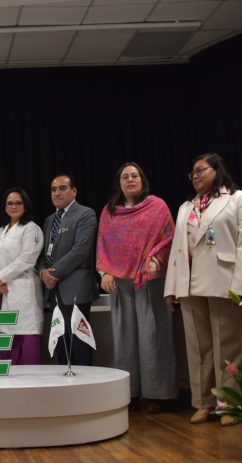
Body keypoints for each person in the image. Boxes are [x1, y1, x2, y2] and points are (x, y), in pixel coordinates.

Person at [164, 153, 242, 426]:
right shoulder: (186, 206)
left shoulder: (239, 199)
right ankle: (203, 402)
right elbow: (177, 249)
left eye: (201, 170)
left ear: (217, 170)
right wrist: (171, 286)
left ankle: (230, 402)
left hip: (224, 282)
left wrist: (240, 287)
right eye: (192, 173)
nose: (195, 176)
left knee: (229, 346)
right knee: (198, 349)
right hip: (189, 284)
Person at [96, 163, 176, 412]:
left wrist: (157, 260)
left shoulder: (157, 206)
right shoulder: (110, 211)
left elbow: (169, 238)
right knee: (124, 338)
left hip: (150, 280)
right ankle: (128, 393)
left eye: (134, 176)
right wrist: (105, 271)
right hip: (120, 282)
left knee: (153, 335)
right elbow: (102, 243)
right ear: (119, 183)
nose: (130, 180)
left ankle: (156, 394)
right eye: (125, 177)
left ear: (142, 180)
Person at [38, 174, 99, 366]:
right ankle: (65, 382)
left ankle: (85, 384)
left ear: (74, 191)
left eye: (62, 188)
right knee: (61, 343)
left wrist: (53, 274)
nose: (57, 193)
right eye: (53, 189)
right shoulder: (49, 220)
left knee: (79, 343)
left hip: (76, 289)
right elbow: (43, 254)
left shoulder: (85, 214)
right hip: (53, 291)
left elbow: (81, 250)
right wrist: (42, 273)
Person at [0, 187, 44, 365]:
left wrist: (2, 277)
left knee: (28, 351)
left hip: (23, 291)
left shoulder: (31, 228)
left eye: (18, 203)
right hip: (2, 291)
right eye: (10, 203)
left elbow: (27, 259)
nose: (13, 206)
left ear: (25, 205)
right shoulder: (0, 231)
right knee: (7, 352)